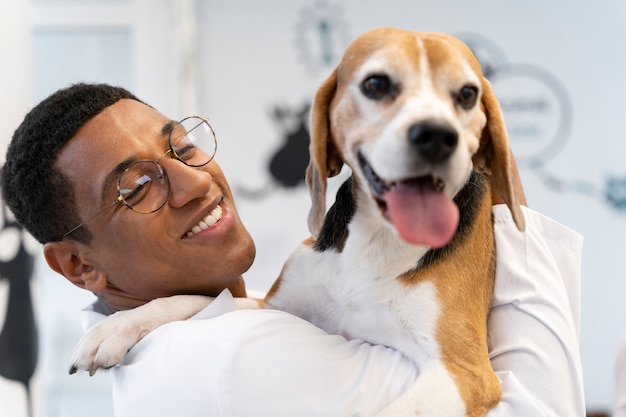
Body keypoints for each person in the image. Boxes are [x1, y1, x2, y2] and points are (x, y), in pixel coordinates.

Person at [1, 83, 585, 416]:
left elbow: (263, 312)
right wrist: (493, 205)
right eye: (135, 188)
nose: (196, 182)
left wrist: (154, 314)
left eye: (182, 148)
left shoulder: (181, 342)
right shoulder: (232, 359)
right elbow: (529, 406)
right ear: (78, 265)